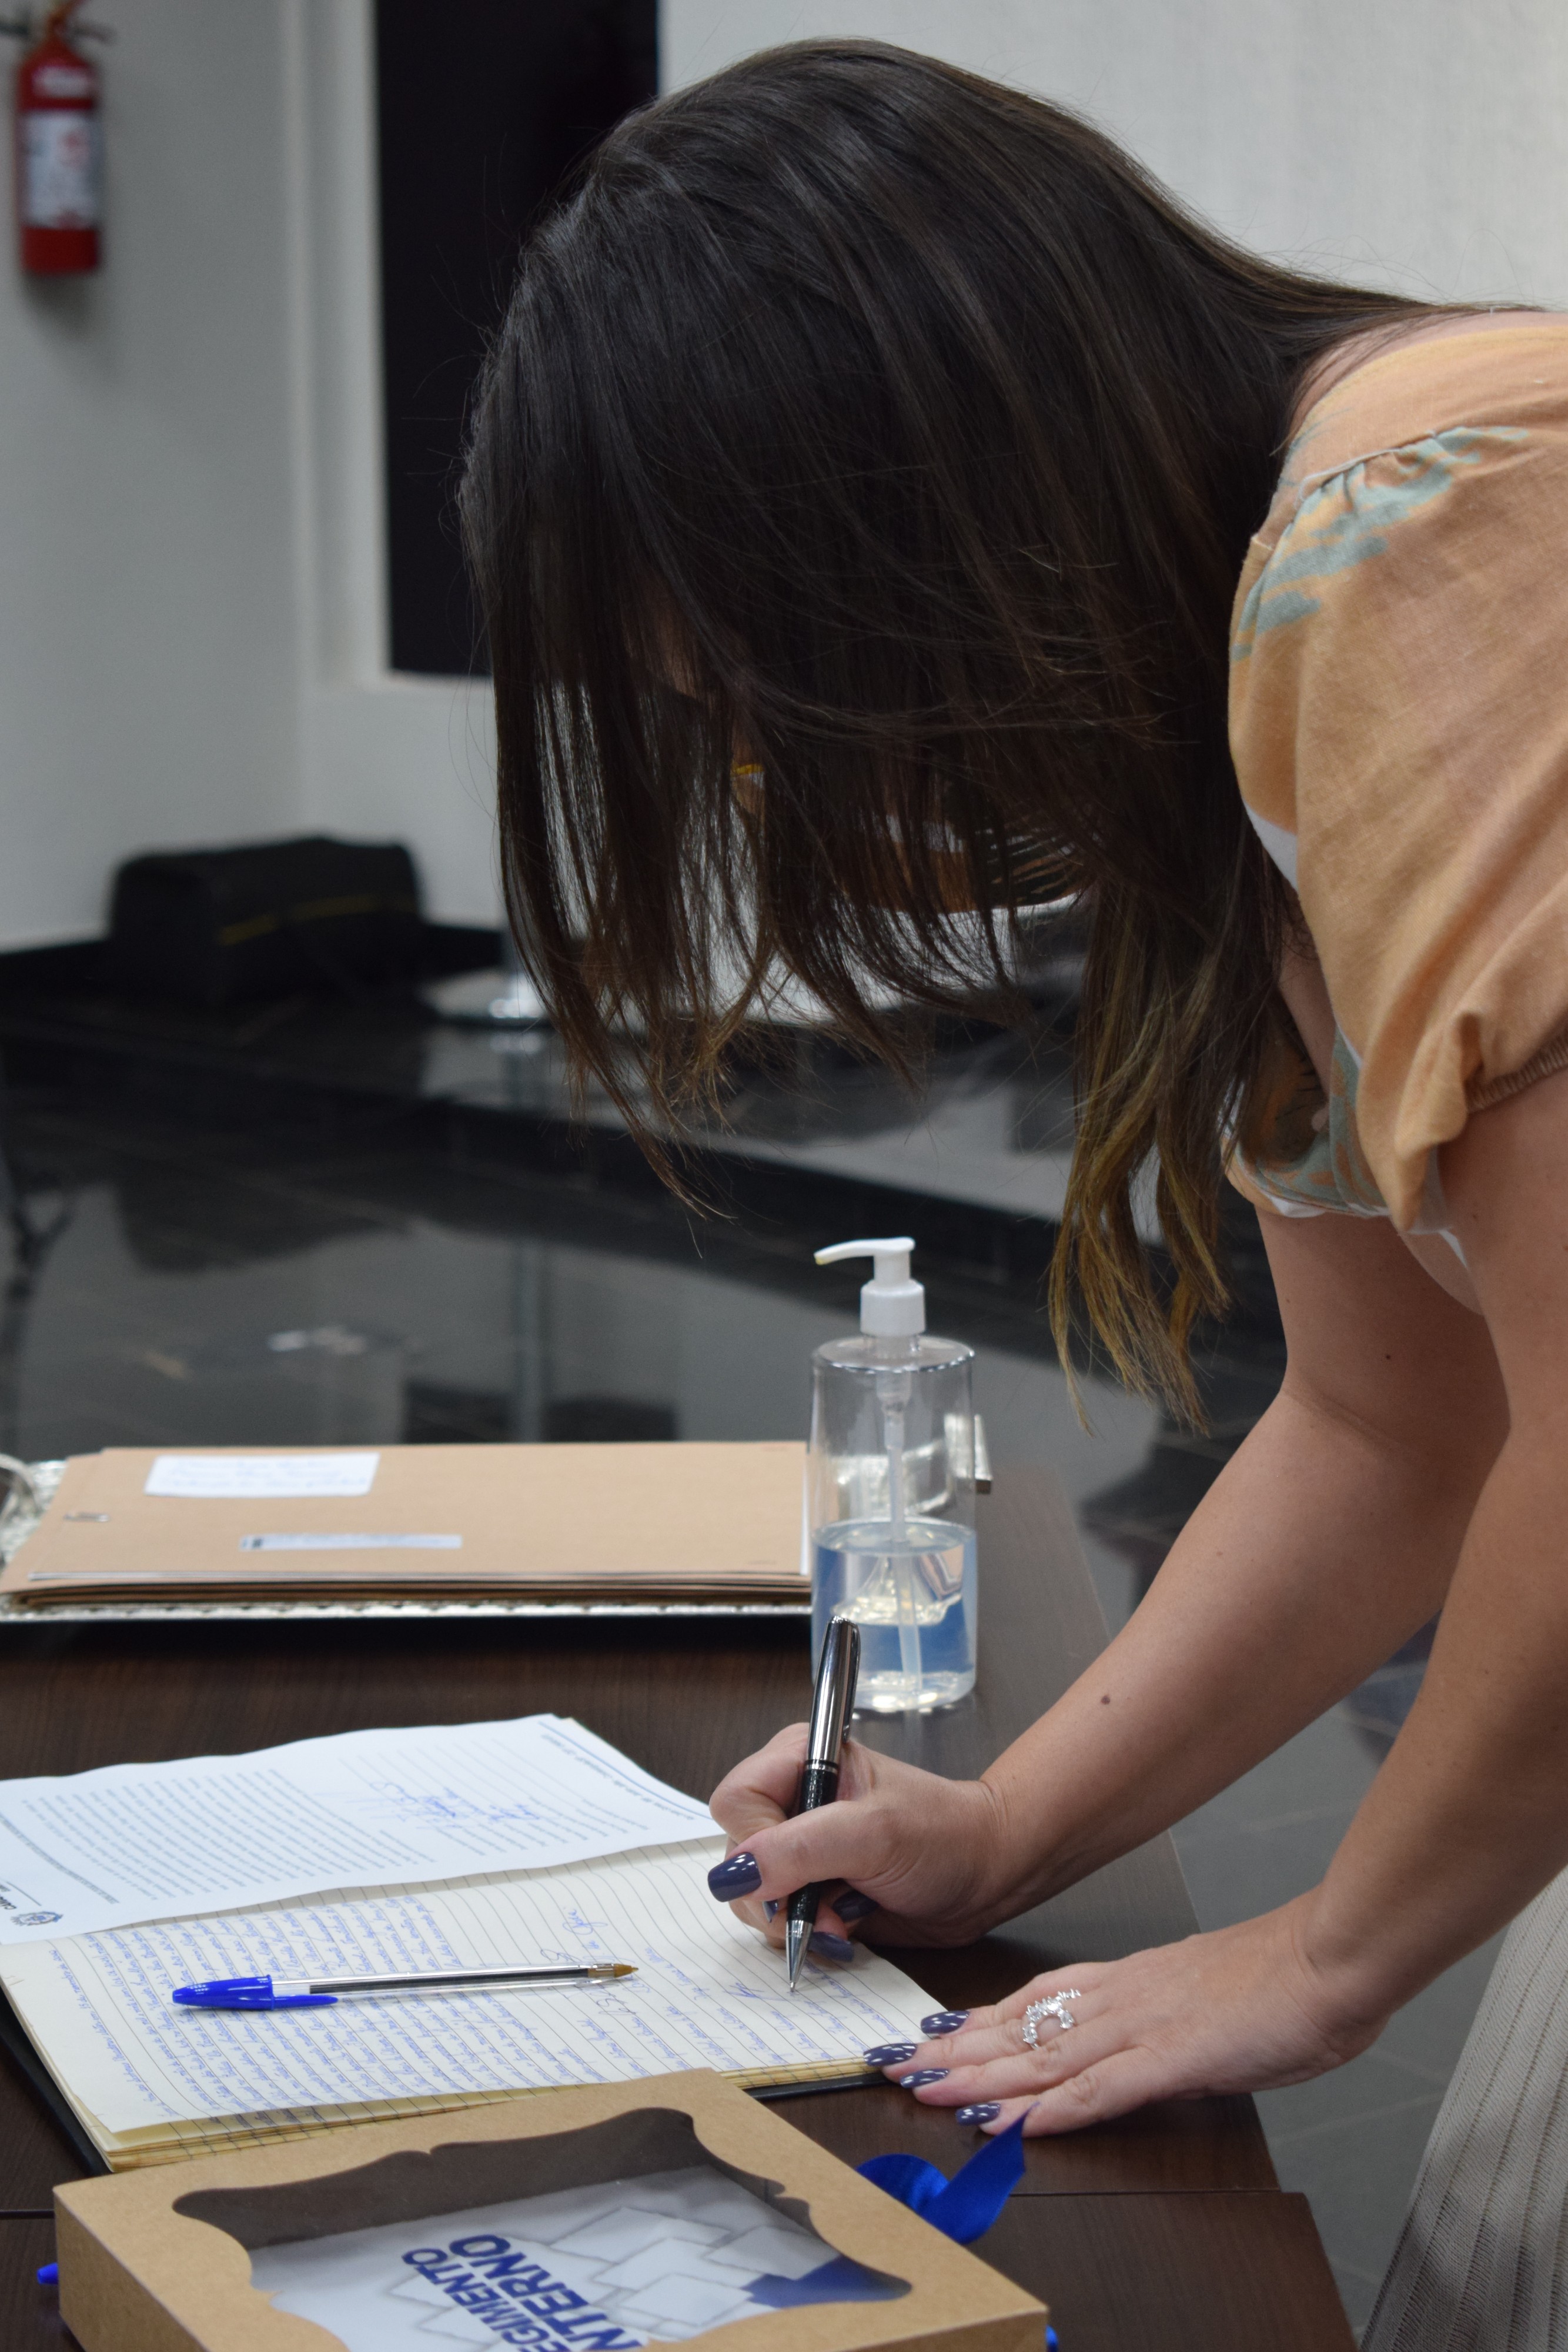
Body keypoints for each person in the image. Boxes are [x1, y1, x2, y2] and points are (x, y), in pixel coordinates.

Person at [460, 38, 1568, 2160]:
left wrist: (1322, 1955)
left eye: (770, 698)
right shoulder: (1253, 680)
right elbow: (1389, 1425)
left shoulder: (1416, 526)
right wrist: (1003, 1831)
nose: (795, 780)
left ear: (904, 517)